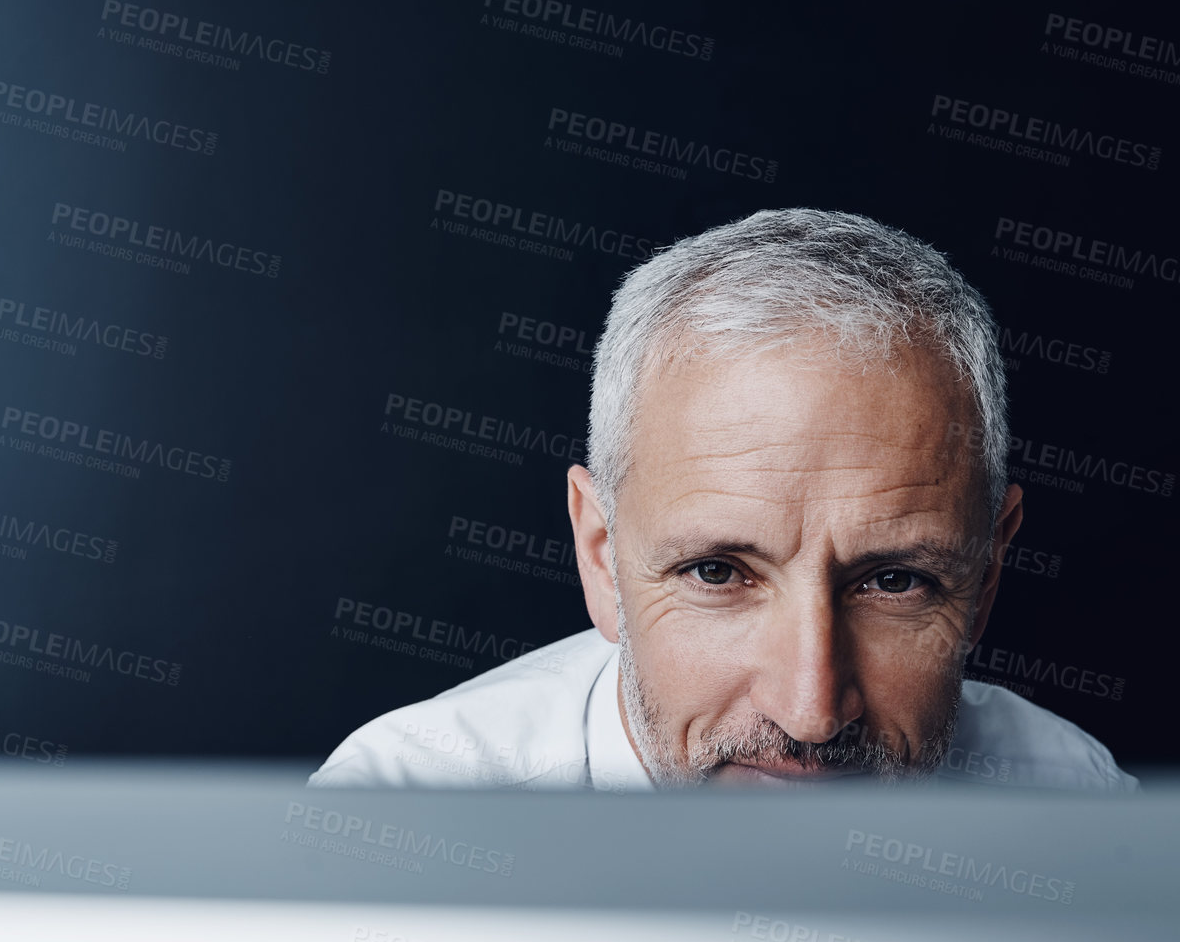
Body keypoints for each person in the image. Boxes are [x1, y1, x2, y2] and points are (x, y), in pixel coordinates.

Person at [311, 208, 1137, 793]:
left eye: (893, 582)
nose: (812, 712)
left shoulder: (1071, 808)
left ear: (989, 574)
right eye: (716, 571)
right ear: (601, 555)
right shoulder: (396, 828)